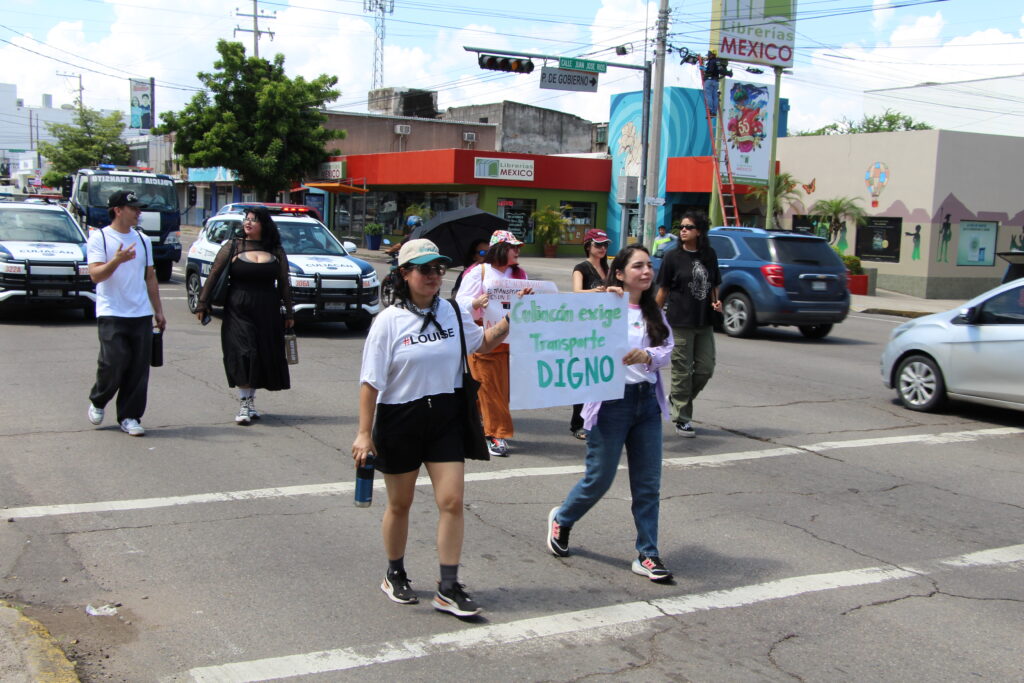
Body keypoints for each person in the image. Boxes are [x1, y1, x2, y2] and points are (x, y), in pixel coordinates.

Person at [353, 238, 512, 618]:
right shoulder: (388, 321)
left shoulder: (453, 311)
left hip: (445, 416)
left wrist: (514, 320)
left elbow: (482, 343)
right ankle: (395, 572)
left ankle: (448, 586)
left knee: (452, 501)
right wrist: (363, 433)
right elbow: (370, 381)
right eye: (424, 269)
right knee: (400, 504)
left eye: (438, 269)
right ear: (405, 274)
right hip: (400, 418)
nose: (433, 276)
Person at [546, 244, 676, 581]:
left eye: (649, 266)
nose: (646, 271)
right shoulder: (603, 307)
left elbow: (667, 348)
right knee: (599, 479)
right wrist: (601, 300)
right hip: (610, 404)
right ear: (619, 273)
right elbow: (567, 327)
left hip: (646, 403)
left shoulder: (653, 311)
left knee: (647, 484)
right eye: (638, 266)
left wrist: (648, 356)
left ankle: (648, 554)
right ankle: (563, 518)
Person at [195, 206, 294, 425]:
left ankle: (250, 401)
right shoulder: (233, 246)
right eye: (246, 219)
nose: (248, 223)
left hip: (267, 310)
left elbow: (284, 283)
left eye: (253, 220)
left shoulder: (276, 250)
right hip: (238, 308)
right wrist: (202, 303)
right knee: (243, 352)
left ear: (264, 225)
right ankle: (244, 402)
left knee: (260, 354)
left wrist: (289, 311)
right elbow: (214, 274)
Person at [86, 190, 167, 437]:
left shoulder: (143, 239)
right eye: (133, 208)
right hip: (111, 311)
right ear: (118, 210)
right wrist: (117, 260)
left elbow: (150, 276)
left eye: (139, 208)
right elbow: (95, 275)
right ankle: (99, 399)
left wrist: (158, 310)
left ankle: (130, 416)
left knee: (138, 368)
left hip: (140, 313)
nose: (138, 212)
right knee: (113, 362)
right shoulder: (100, 237)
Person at [455, 230, 529, 458]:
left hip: (512, 339)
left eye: (518, 247)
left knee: (500, 389)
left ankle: (476, 426)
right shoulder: (479, 272)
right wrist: (476, 302)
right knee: (490, 386)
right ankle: (496, 434)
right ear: (500, 249)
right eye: (513, 247)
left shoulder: (520, 274)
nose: (517, 251)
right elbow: (459, 303)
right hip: (484, 337)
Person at [655, 211, 722, 438]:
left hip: (705, 321)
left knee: (705, 369)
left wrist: (717, 301)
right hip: (679, 322)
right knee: (682, 373)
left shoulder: (709, 255)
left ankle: (676, 399)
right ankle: (682, 418)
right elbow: (663, 290)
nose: (683, 230)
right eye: (681, 227)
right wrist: (653, 318)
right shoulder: (672, 257)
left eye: (689, 227)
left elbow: (714, 283)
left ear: (699, 231)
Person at [568, 228, 611, 440]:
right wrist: (593, 292)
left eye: (605, 245)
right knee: (583, 377)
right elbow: (576, 292)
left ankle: (596, 420)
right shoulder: (581, 268)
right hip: (584, 330)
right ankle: (578, 423)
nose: (602, 248)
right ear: (588, 246)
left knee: (601, 376)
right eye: (598, 244)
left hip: (605, 328)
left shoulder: (608, 268)